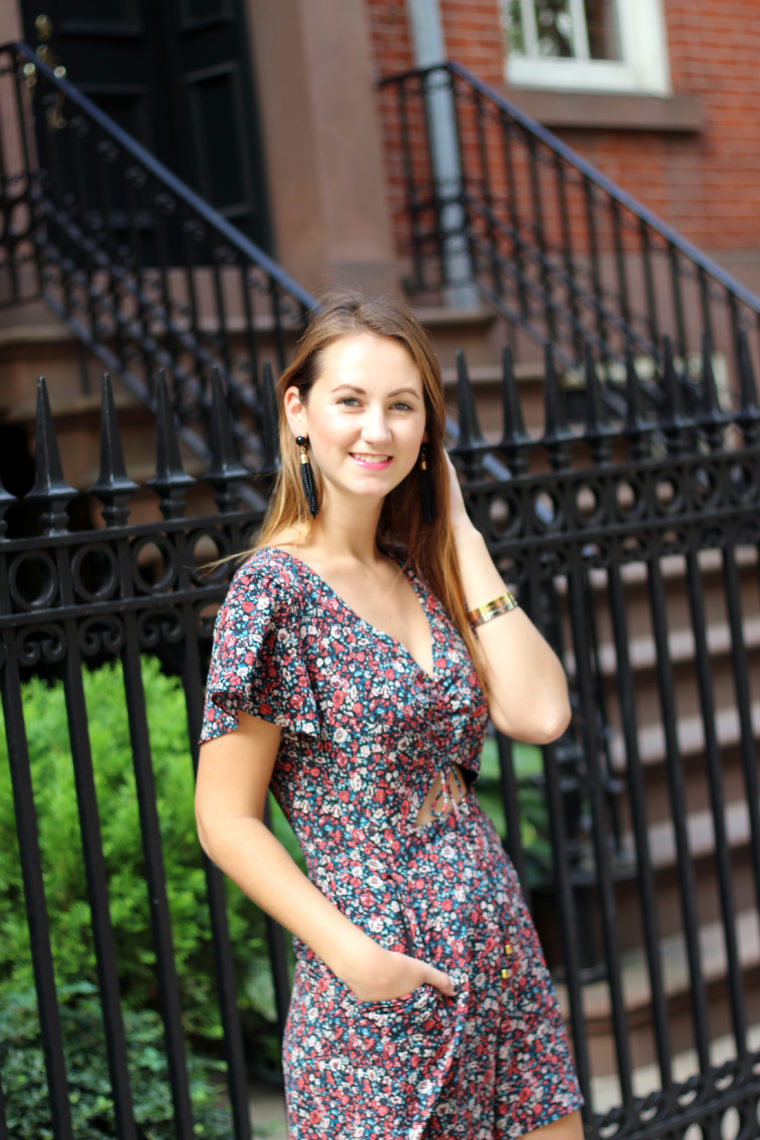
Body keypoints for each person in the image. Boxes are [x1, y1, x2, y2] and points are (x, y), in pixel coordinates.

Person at [195, 293, 584, 1139]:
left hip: (497, 950)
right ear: (298, 412)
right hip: (380, 989)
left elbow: (541, 712)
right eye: (351, 401)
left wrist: (463, 532)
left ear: (427, 433)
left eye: (401, 406)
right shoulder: (274, 592)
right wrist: (352, 955)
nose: (377, 429)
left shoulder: (416, 571)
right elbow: (224, 818)